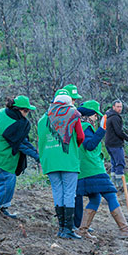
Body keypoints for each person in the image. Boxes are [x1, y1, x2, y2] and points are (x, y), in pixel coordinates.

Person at [74, 100, 128, 238]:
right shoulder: (86, 127)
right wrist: (101, 130)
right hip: (94, 169)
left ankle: (82, 230)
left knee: (95, 199)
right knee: (111, 195)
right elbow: (89, 145)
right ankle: (125, 230)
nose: (96, 118)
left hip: (83, 170)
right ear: (90, 115)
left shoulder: (77, 126)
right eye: (95, 116)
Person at [0, 95, 40, 219]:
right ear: (17, 109)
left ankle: (0, 206)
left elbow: (21, 139)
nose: (26, 114)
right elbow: (21, 143)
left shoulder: (2, 112)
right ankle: (0, 208)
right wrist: (38, 157)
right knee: (7, 179)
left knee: (0, 179)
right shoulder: (16, 124)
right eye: (25, 111)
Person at [38, 89, 84, 239]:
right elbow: (80, 137)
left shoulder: (42, 119)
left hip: (49, 161)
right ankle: (68, 229)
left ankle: (61, 228)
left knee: (57, 191)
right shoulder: (72, 115)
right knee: (69, 193)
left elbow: (41, 140)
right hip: (68, 159)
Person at [104, 99, 128, 189]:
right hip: (115, 144)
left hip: (109, 143)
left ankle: (113, 184)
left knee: (114, 163)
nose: (120, 109)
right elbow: (118, 132)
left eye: (121, 107)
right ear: (113, 107)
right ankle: (120, 185)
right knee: (120, 163)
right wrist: (127, 138)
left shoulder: (108, 115)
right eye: (118, 107)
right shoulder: (115, 117)